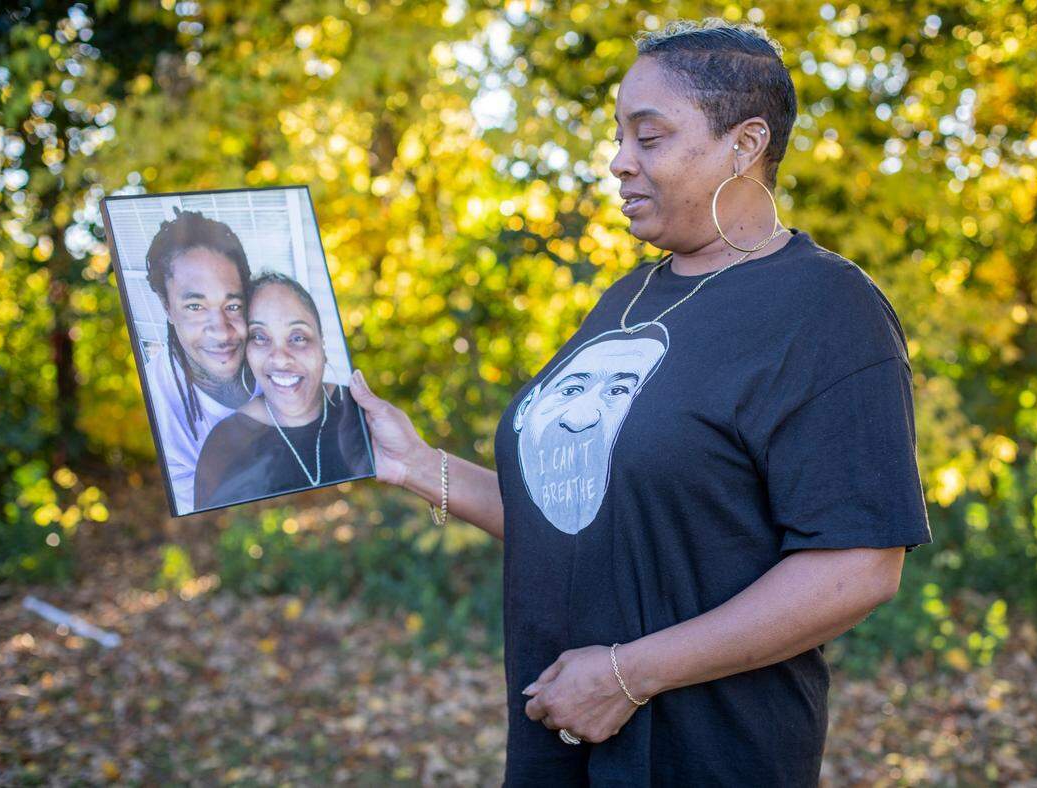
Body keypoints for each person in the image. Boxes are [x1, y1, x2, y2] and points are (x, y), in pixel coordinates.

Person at [347, 18, 932, 786]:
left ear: (745, 144)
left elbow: (858, 566)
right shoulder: (629, 300)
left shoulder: (826, 308)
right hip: (561, 741)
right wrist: (417, 465)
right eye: (619, 137)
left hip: (709, 755)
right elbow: (576, 512)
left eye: (648, 138)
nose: (619, 163)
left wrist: (629, 673)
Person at [193, 272, 372, 510]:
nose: (280, 358)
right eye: (259, 337)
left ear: (322, 346)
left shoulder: (362, 412)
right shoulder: (224, 445)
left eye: (298, 337)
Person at [142, 209, 260, 515]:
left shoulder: (278, 358)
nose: (221, 329)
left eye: (232, 305)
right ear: (167, 308)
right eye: (195, 305)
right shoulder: (156, 403)